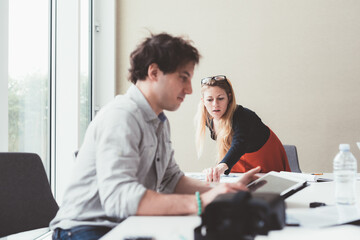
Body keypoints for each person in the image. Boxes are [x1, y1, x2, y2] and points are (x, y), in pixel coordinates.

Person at [50, 33, 261, 240]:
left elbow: (171, 180)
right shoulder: (122, 116)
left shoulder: (158, 121)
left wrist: (222, 190)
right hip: (83, 229)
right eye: (183, 77)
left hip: (123, 224)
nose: (189, 90)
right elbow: (119, 198)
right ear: (154, 72)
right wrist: (201, 202)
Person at [195, 75, 290, 182]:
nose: (215, 104)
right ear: (203, 101)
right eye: (209, 100)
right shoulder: (209, 119)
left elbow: (239, 143)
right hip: (238, 158)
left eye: (220, 98)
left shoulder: (243, 115)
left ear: (229, 98)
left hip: (264, 157)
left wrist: (220, 166)